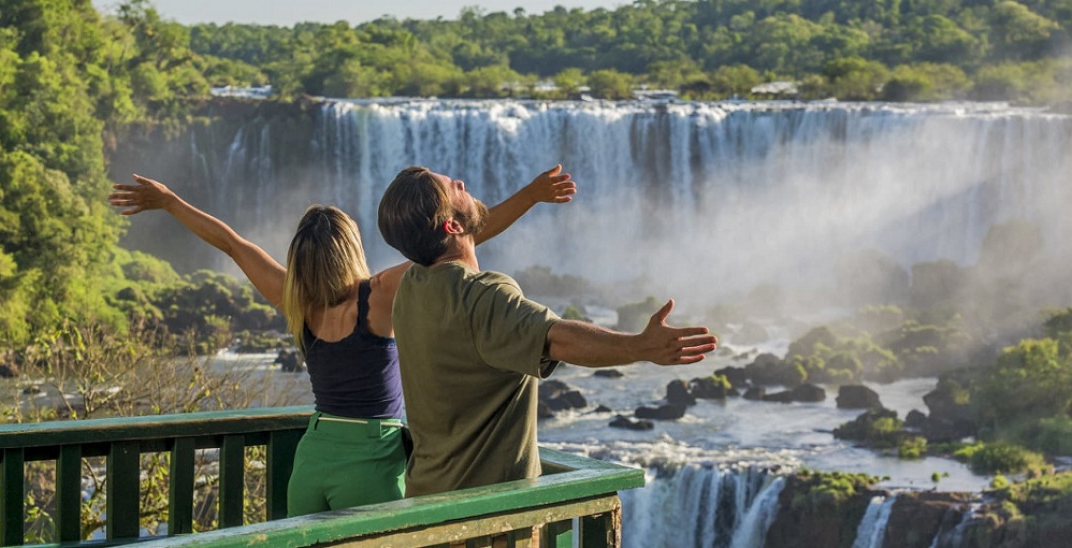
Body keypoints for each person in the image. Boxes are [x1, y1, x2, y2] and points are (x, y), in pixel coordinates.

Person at [108, 167, 576, 515]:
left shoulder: (295, 301)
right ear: (350, 250)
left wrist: (169, 201)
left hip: (313, 458)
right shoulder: (379, 294)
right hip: (371, 459)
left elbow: (232, 244)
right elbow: (458, 235)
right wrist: (531, 196)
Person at [377, 166, 720, 498]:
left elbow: (462, 234)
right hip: (488, 515)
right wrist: (639, 347)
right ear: (451, 225)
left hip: (427, 501)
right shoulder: (483, 296)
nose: (462, 182)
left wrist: (530, 195)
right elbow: (558, 338)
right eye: (454, 188)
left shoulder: (413, 283)